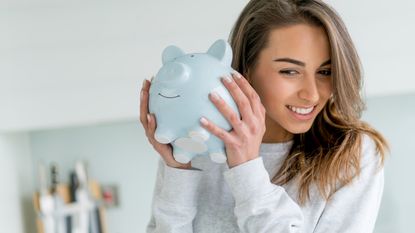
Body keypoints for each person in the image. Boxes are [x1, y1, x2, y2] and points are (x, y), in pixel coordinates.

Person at [140, 0, 388, 232]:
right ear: (246, 68)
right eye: (290, 71)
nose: (312, 95)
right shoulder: (199, 143)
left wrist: (246, 169)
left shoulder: (353, 155)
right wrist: (178, 171)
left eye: (325, 71)